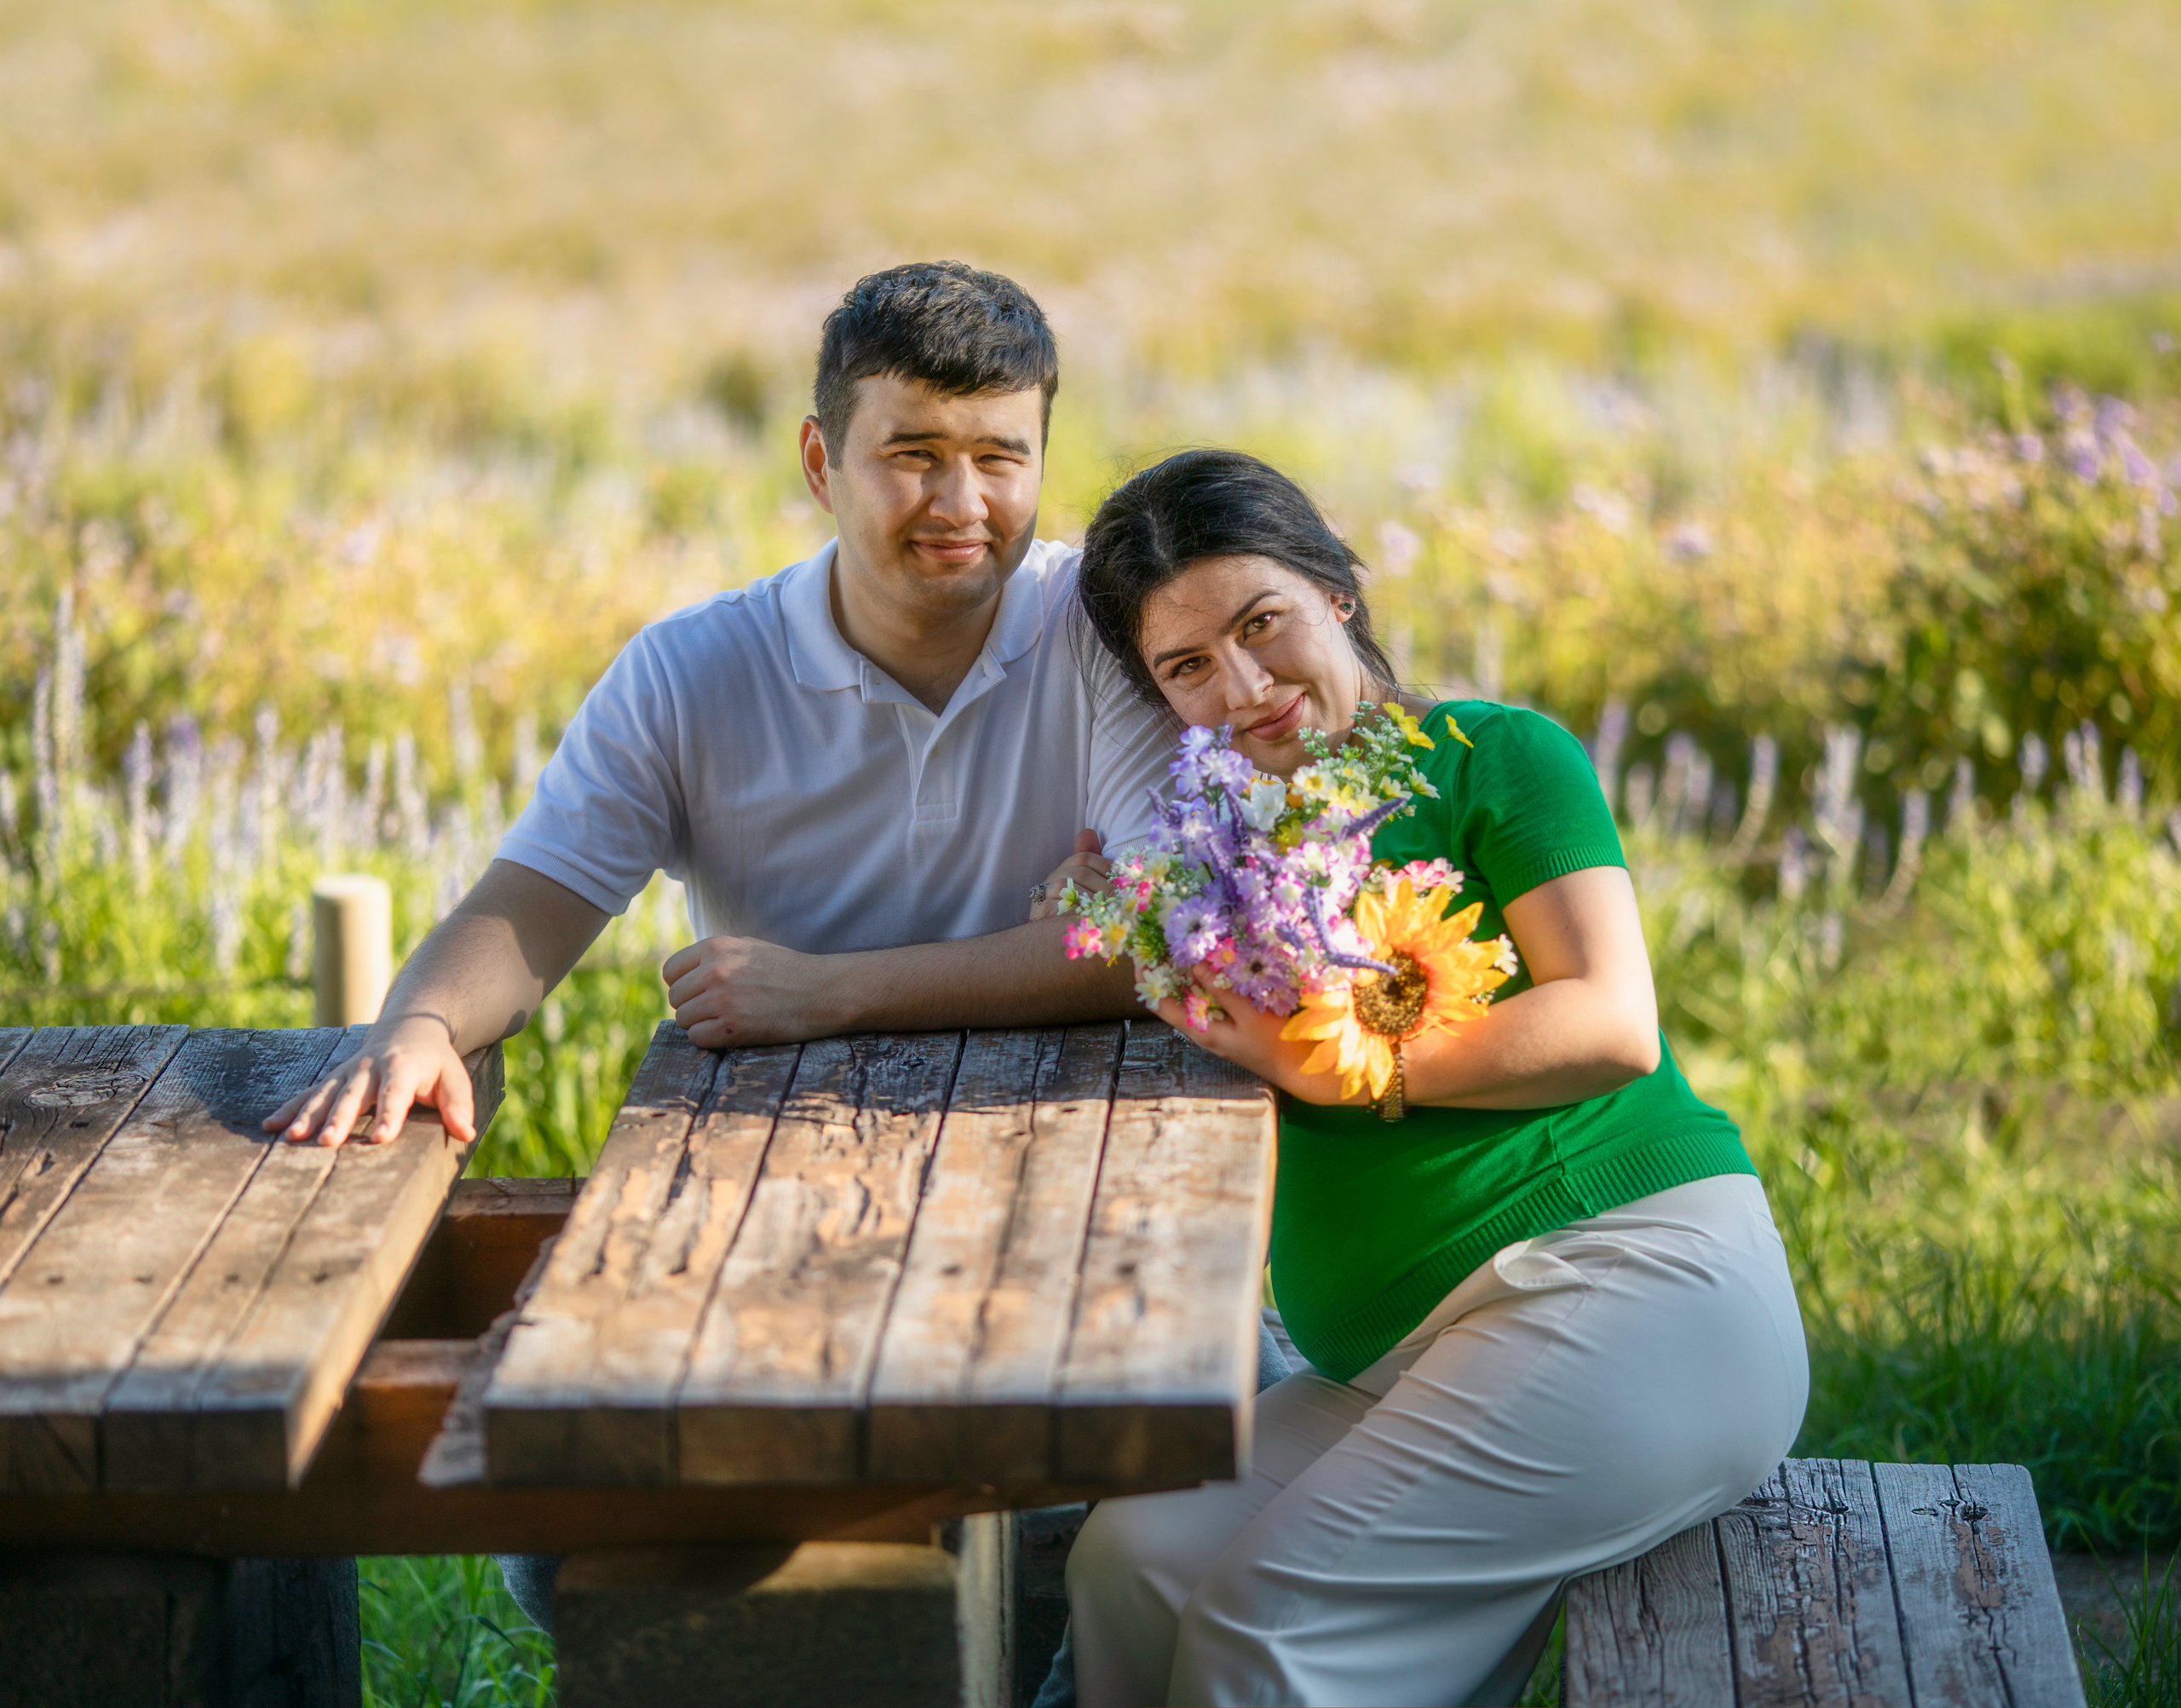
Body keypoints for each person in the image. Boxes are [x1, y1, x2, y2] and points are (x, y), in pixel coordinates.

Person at [261, 261, 1187, 1630]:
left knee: (1149, 1493)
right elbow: (538, 900)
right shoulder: (692, 671)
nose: (961, 502)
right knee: (600, 1518)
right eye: (912, 455)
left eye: (1001, 456)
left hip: (1084, 1170)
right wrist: (416, 1026)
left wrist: (831, 992)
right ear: (822, 459)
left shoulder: (1103, 636)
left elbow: (1156, 944)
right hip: (783, 1190)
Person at [1042, 449, 1809, 1708]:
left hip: (1630, 1284)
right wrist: (1118, 915)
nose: (1243, 689)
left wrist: (1356, 1074)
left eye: (1261, 623)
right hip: (1408, 1359)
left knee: (1263, 1632)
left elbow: (1612, 1019)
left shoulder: (1490, 753)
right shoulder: (1225, 857)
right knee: (1136, 1561)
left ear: (1335, 591)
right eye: (1187, 666)